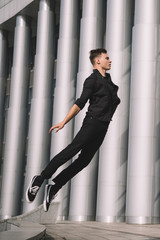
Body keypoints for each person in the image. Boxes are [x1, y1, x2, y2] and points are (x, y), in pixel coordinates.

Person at [26, 48, 120, 211]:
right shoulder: (92, 80)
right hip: (92, 122)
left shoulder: (109, 82)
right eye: (107, 58)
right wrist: (64, 122)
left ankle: (54, 187)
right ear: (98, 60)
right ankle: (39, 180)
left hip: (103, 126)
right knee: (71, 151)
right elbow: (80, 103)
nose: (110, 61)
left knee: (84, 161)